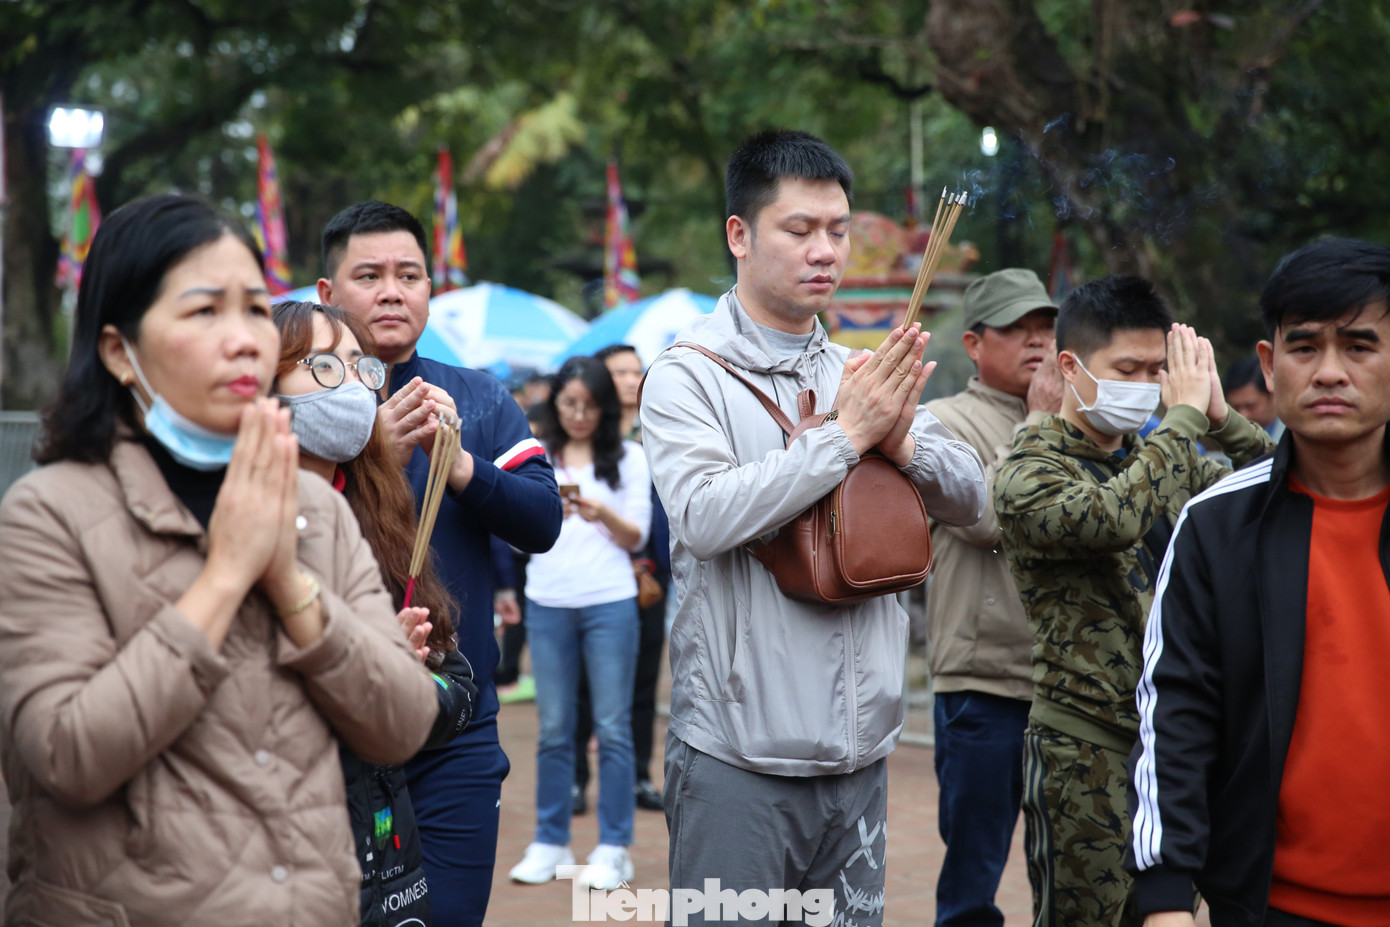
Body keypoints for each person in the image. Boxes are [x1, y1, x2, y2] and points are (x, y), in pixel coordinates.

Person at [0, 194, 437, 926]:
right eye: (205, 312)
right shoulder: (48, 514)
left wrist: (291, 584)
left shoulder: (318, 508)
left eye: (256, 310)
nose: (242, 340)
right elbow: (69, 754)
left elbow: (402, 720)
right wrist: (227, 575)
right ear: (119, 351)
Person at [641, 129, 987, 926]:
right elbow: (702, 515)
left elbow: (975, 502)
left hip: (861, 756)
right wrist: (842, 439)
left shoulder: (858, 371)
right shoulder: (684, 374)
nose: (824, 249)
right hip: (738, 758)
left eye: (837, 229)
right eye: (800, 230)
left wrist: (899, 440)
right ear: (740, 234)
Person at [992, 275, 1277, 927]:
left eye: (1158, 369)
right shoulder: (1030, 471)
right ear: (1071, 366)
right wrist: (1178, 422)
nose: (1148, 385)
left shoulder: (1164, 452)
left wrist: (1218, 415)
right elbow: (1114, 516)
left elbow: (1278, 482)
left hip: (1173, 743)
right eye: (1128, 368)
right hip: (1085, 746)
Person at [1128, 238, 1390, 927]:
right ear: (1270, 366)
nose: (1330, 371)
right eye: (1304, 347)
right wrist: (1165, 898)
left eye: (1360, 346)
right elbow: (1174, 712)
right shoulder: (1217, 526)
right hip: (1271, 906)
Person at [317, 201, 563, 927]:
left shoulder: (480, 398)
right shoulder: (292, 403)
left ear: (431, 288)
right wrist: (370, 461)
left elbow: (542, 520)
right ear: (326, 295)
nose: (392, 291)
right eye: (368, 275)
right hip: (328, 730)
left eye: (409, 274)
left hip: (453, 730)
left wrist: (459, 469)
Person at [272, 300, 480, 927]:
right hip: (288, 851)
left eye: (362, 368)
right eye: (323, 367)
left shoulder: (382, 512)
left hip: (388, 853)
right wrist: (364, 662)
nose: (354, 383)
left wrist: (410, 680)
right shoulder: (234, 517)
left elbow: (454, 683)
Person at [921, 268, 1061, 927]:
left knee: (1077, 868)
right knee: (973, 876)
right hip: (982, 684)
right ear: (974, 344)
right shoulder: (938, 421)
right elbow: (983, 518)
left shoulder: (1080, 422)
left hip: (1072, 686)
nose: (1036, 343)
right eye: (1015, 330)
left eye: (1044, 328)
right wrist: (1037, 423)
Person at [508, 356, 651, 889]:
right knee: (553, 730)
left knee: (613, 729)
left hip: (611, 600)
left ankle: (614, 847)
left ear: (606, 408)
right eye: (570, 404)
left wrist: (597, 512)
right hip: (547, 600)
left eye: (591, 406)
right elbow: (516, 538)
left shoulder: (631, 458)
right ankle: (550, 840)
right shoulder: (536, 456)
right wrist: (547, 516)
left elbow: (637, 536)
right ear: (554, 405)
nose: (580, 415)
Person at [574, 343, 670, 814]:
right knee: (583, 683)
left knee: (644, 681)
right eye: (619, 372)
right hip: (596, 572)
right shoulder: (584, 439)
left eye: (637, 371)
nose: (631, 380)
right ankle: (576, 779)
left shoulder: (664, 426)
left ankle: (638, 778)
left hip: (649, 575)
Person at [1223, 353, 1284, 440]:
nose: (1243, 415)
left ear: (1272, 395)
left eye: (1250, 406)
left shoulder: (1296, 433)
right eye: (1235, 408)